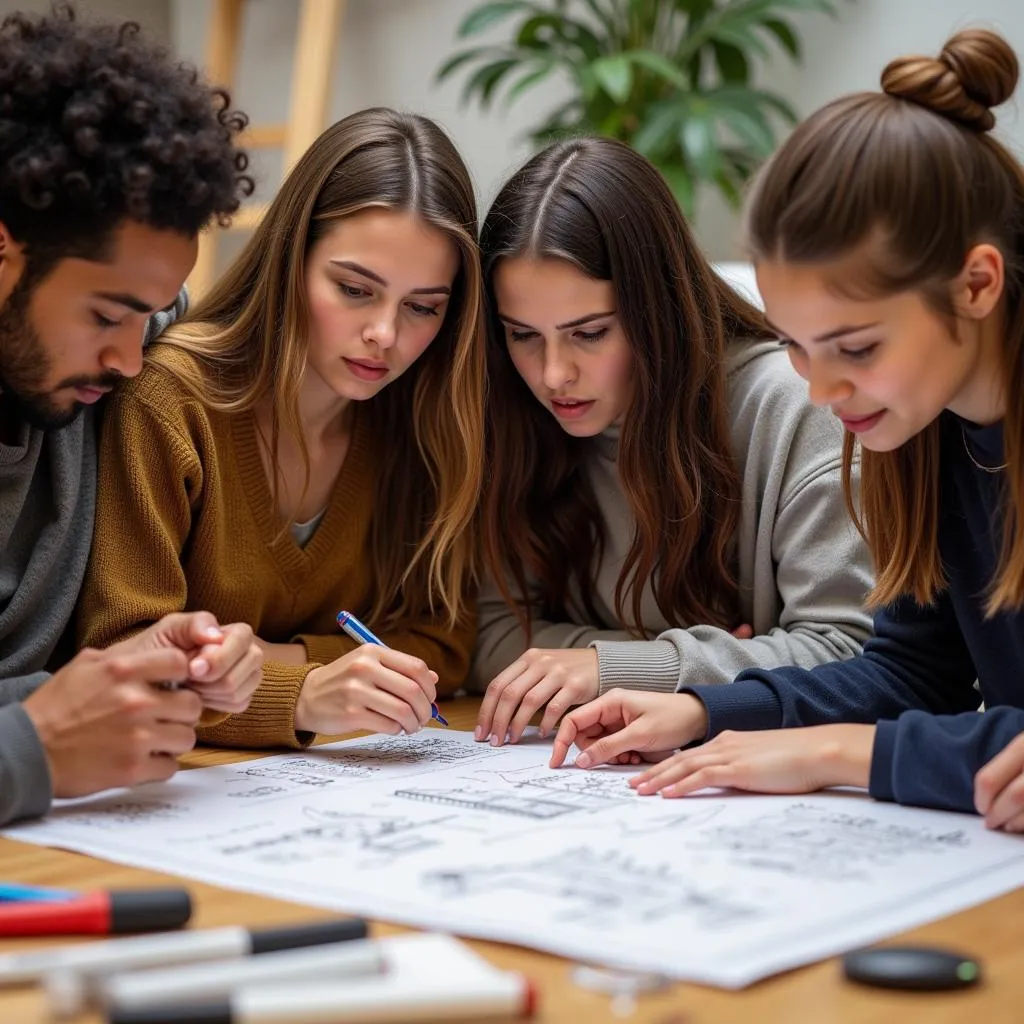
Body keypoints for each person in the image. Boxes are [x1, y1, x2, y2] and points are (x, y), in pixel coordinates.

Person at [551, 29, 1024, 831]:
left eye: (857, 346)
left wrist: (837, 754)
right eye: (797, 345)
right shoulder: (924, 424)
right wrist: (706, 710)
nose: (821, 387)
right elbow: (916, 672)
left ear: (977, 284)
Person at [78, 108, 485, 748]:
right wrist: (304, 692)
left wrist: (278, 659)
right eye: (355, 289)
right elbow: (121, 655)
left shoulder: (421, 418)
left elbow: (442, 643)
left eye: (423, 307)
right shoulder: (169, 399)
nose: (385, 334)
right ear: (292, 257)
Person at [470, 136, 874, 747]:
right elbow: (490, 635)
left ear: (658, 309)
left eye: (589, 333)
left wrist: (610, 667)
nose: (553, 375)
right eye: (523, 334)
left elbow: (852, 652)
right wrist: (654, 661)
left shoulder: (791, 404)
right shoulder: (513, 410)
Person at [0, 6, 261, 827]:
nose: (133, 361)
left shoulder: (101, 354)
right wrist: (29, 748)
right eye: (109, 316)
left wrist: (145, 665)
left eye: (146, 316)